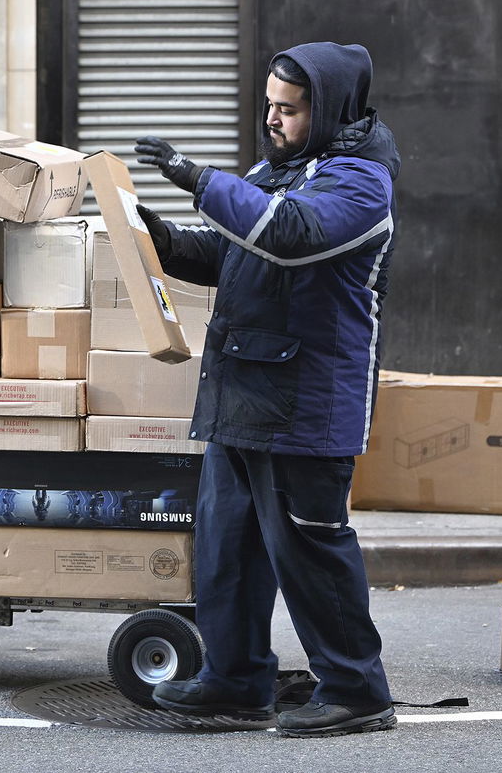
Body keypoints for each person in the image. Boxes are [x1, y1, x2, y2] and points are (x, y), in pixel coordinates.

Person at [132, 41, 400, 738]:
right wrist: (158, 237)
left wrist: (194, 176)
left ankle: (357, 691)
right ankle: (235, 679)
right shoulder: (276, 169)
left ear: (331, 107)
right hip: (244, 391)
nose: (272, 120)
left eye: (289, 108)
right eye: (270, 106)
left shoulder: (361, 183)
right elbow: (229, 255)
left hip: (307, 402)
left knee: (309, 550)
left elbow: (286, 234)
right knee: (229, 547)